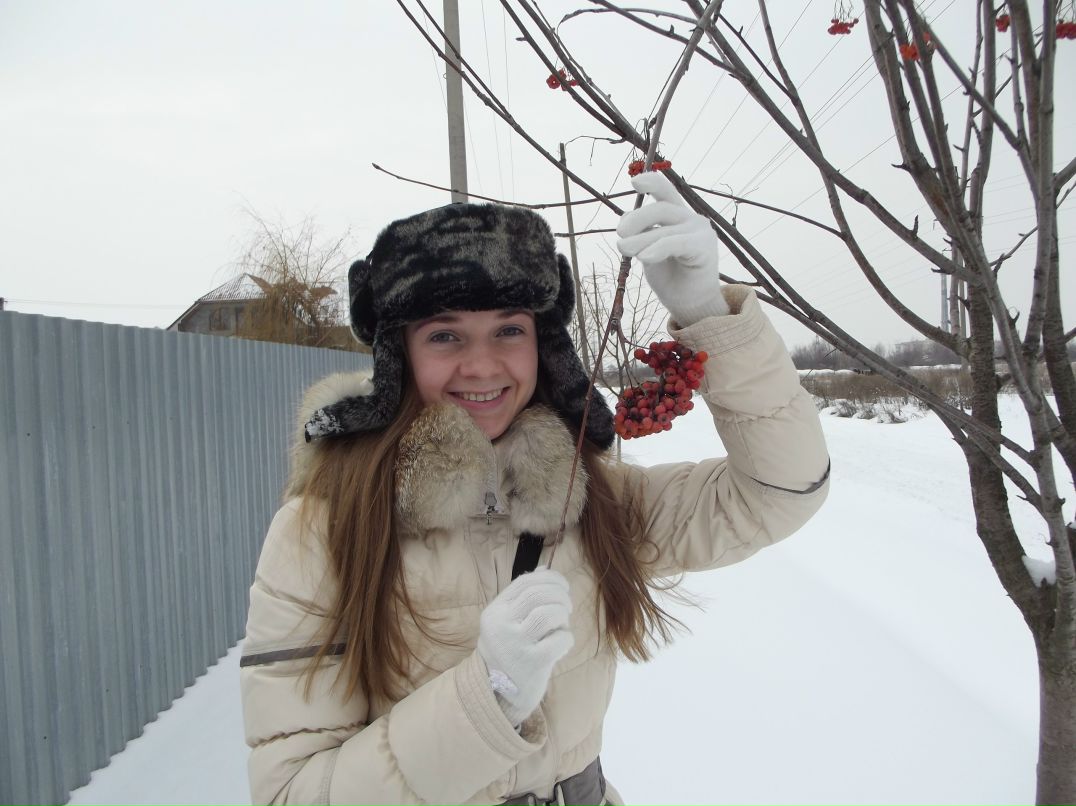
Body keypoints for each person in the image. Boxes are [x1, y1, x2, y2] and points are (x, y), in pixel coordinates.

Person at [239, 171, 830, 806]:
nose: (484, 364)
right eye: (444, 335)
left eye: (509, 330)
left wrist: (708, 314)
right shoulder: (325, 530)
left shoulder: (593, 500)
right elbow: (292, 793)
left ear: (542, 345)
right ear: (398, 357)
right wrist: (484, 699)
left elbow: (781, 489)